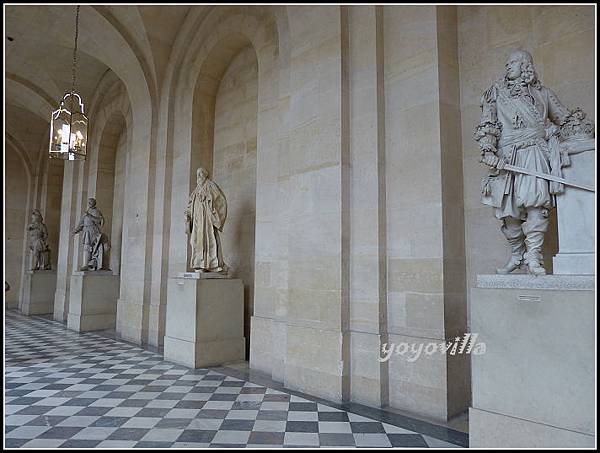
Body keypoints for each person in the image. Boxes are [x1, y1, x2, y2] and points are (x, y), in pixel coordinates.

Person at [474, 50, 592, 276]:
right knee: (508, 213)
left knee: (536, 205)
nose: (507, 66)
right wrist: (488, 150)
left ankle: (534, 256)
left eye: (512, 63)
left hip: (535, 153)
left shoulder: (544, 94)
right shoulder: (495, 93)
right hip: (506, 157)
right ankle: (517, 255)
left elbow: (565, 121)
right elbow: (488, 124)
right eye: (507, 63)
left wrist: (573, 130)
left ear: (525, 65)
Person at [185, 167, 228, 273]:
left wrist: (208, 198)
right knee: (196, 242)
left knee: (210, 240)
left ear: (205, 175)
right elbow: (190, 205)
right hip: (197, 222)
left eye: (200, 173)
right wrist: (188, 215)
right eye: (197, 174)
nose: (199, 176)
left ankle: (213, 265)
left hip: (207, 221)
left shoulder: (211, 186)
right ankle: (199, 264)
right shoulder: (195, 191)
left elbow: (220, 200)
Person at [72, 198, 110, 271]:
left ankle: (90, 264)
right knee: (86, 247)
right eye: (88, 202)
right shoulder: (87, 212)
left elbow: (99, 220)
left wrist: (90, 216)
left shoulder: (96, 211)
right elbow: (81, 223)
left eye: (90, 202)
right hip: (86, 231)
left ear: (94, 203)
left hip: (93, 231)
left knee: (91, 247)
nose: (89, 203)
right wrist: (76, 230)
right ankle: (86, 264)